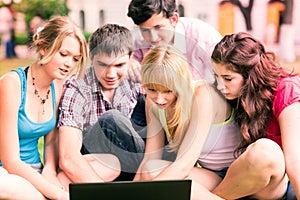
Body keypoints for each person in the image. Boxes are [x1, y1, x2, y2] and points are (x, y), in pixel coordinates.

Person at [134, 44, 242, 200]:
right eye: (151, 89)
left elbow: (184, 165)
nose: (159, 98)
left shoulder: (202, 95)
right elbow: (150, 158)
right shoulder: (153, 104)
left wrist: (144, 194)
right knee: (151, 169)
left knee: (171, 186)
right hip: (205, 172)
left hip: (230, 174)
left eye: (167, 90)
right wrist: (131, 191)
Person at [0, 16, 88, 200]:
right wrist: (53, 192)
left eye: (75, 59)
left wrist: (49, 172)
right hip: (6, 173)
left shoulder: (58, 86)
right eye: (63, 54)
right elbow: (11, 161)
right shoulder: (11, 84)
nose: (69, 64)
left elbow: (50, 141)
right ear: (43, 47)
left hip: (33, 169)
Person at [211, 32, 299, 199]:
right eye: (217, 77)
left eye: (228, 79)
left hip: (272, 182)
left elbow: (295, 162)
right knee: (178, 178)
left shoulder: (285, 89)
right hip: (234, 176)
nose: (221, 86)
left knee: (264, 151)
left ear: (250, 75)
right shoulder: (229, 94)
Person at [58, 23, 146, 187]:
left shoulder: (133, 79)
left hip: (128, 162)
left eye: (119, 65)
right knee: (111, 119)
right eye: (103, 65)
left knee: (154, 104)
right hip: (95, 163)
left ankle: (146, 181)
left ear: (130, 57)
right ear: (91, 57)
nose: (111, 75)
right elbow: (68, 158)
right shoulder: (77, 87)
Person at [127, 0, 222, 83]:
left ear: (174, 19)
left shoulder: (204, 37)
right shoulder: (138, 41)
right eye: (145, 30)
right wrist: (127, 62)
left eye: (158, 27)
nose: (153, 37)